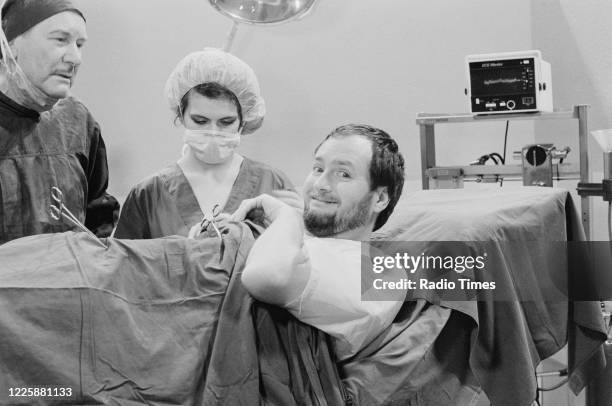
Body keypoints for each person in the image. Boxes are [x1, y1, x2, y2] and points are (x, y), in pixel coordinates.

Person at [231, 124, 417, 360]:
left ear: (379, 198)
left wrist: (286, 217)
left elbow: (267, 276)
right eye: (318, 168)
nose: (320, 185)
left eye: (343, 174)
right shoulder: (299, 241)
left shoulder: (376, 274)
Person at [114, 48, 298, 239]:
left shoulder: (272, 183)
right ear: (180, 116)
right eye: (200, 121)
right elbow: (125, 263)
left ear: (243, 121)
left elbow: (299, 256)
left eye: (226, 122)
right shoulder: (149, 195)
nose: (213, 132)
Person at [0, 0, 118, 244]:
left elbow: (98, 223)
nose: (75, 58)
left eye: (80, 44)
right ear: (10, 46)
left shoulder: (77, 122)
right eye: (60, 40)